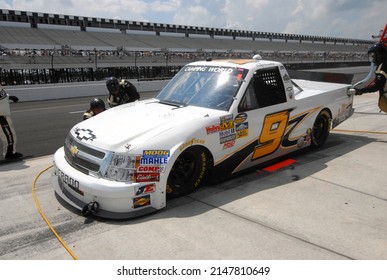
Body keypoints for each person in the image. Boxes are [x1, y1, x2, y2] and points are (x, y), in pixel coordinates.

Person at [355, 42, 387, 112]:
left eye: (375, 55)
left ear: (381, 55)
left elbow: (377, 86)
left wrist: (361, 90)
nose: (373, 58)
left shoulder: (383, 67)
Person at [0, 85, 23, 160]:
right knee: (9, 136)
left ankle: (11, 152)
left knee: (10, 134)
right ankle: (9, 153)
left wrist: (9, 97)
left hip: (3, 115)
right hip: (1, 116)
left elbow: (2, 96)